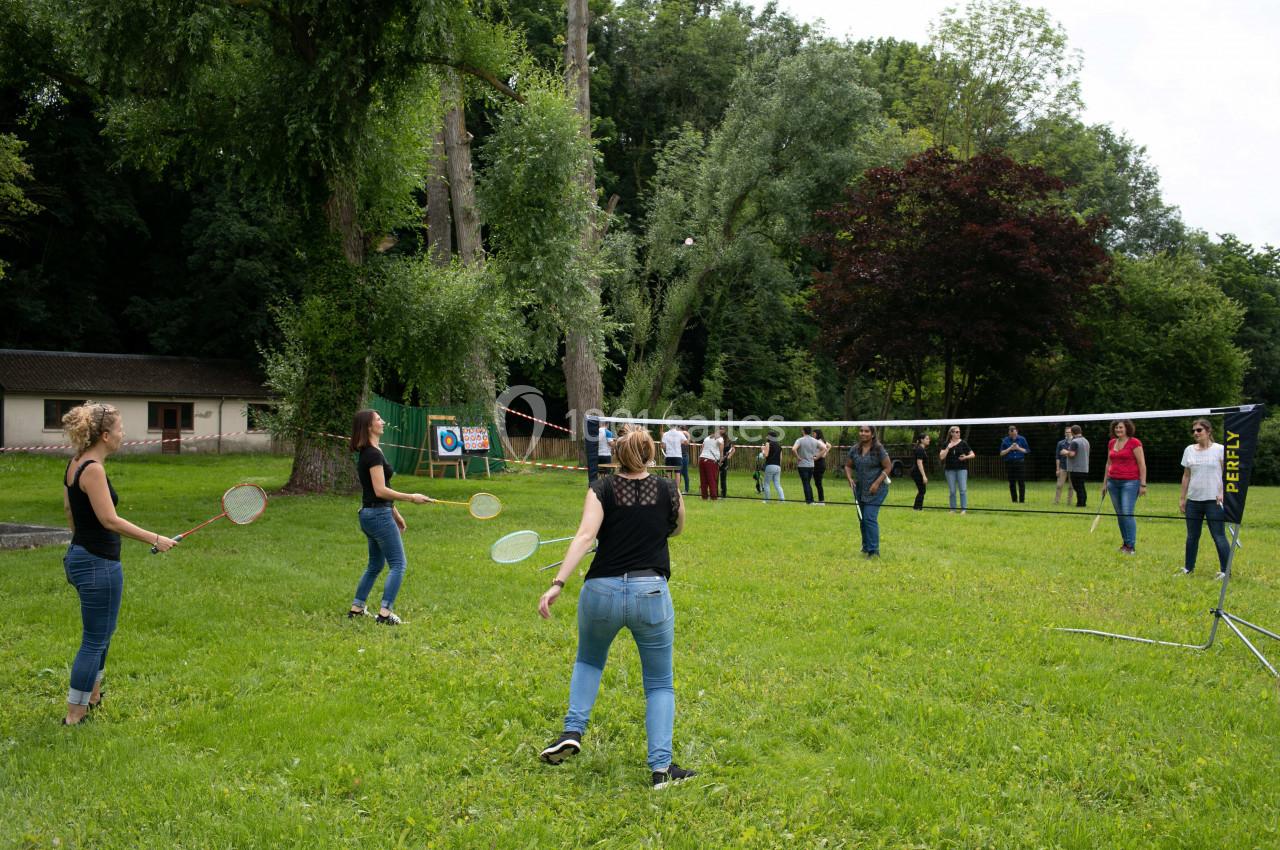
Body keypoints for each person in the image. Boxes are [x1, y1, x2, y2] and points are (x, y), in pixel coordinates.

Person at [537, 430, 695, 789]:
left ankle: (573, 731)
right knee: (659, 683)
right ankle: (661, 769)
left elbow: (585, 536)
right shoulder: (669, 489)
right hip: (650, 592)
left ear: (617, 455)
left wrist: (558, 583)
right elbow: (677, 529)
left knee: (588, 661)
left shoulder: (601, 488)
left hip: (601, 592)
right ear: (651, 454)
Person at [59, 402, 178, 725]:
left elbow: (70, 511)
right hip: (97, 564)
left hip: (80, 556)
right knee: (94, 640)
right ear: (105, 435)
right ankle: (74, 715)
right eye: (120, 429)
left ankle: (93, 697)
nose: (124, 434)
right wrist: (155, 538)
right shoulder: (93, 469)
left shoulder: (76, 462)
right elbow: (109, 520)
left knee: (101, 634)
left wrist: (82, 542)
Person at [347, 409, 431, 625]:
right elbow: (380, 490)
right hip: (377, 516)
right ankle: (385, 614)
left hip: (371, 514)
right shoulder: (373, 455)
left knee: (375, 565)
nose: (382, 422)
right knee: (398, 564)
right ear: (369, 426)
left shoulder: (372, 451)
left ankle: (357, 609)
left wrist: (395, 513)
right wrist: (412, 497)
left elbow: (379, 489)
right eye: (378, 419)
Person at [1179, 418, 1230, 579]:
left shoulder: (1220, 449)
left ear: (1208, 431)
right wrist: (1182, 498)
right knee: (1192, 536)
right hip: (1194, 501)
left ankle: (1226, 571)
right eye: (1193, 431)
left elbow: (1228, 474)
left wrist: (1223, 493)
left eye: (1199, 430)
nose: (1196, 433)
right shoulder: (1189, 450)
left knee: (1219, 536)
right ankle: (1188, 569)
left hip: (1214, 501)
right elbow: (1186, 476)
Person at [844, 425, 892, 557]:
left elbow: (888, 467)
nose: (863, 433)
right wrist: (849, 478)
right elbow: (848, 466)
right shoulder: (855, 449)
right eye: (861, 431)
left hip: (877, 490)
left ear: (872, 434)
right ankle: (866, 546)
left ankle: (874, 551)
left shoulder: (879, 449)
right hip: (860, 489)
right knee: (862, 518)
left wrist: (876, 483)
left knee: (869, 517)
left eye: (866, 431)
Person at [1101, 419, 1147, 554]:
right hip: (1113, 483)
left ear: (1127, 428)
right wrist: (1104, 483)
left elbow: (1142, 464)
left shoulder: (1135, 443)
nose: (1118, 430)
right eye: (1116, 427)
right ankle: (1125, 544)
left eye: (1121, 427)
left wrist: (1143, 484)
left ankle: (1131, 546)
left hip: (1130, 482)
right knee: (1120, 515)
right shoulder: (1111, 443)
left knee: (1127, 513)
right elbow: (1108, 464)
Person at [939, 426, 975, 514]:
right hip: (949, 470)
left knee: (963, 490)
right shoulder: (946, 443)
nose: (958, 433)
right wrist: (948, 448)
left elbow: (973, 454)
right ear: (951, 433)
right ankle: (953, 509)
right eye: (956, 432)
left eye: (959, 432)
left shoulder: (963, 443)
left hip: (961, 470)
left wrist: (965, 457)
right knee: (952, 491)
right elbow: (941, 457)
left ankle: (963, 509)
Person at [791, 426, 823, 505]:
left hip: (802, 465)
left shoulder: (800, 440)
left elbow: (793, 449)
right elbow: (824, 448)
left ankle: (809, 501)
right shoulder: (815, 440)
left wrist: (798, 457)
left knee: (805, 483)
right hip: (811, 465)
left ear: (803, 431)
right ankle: (811, 500)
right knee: (808, 483)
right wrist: (817, 457)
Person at [999, 425, 1029, 503]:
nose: (1013, 435)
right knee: (1012, 482)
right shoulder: (1005, 440)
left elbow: (1027, 451)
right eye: (1011, 434)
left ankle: (1022, 500)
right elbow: (1001, 453)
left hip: (1020, 463)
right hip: (1009, 463)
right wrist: (1010, 448)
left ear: (1017, 431)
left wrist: (1018, 448)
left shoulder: (1022, 439)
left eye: (1014, 434)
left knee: (1021, 482)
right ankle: (1014, 500)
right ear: (1009, 433)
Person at [1064, 424, 1090, 508]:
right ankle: (1082, 502)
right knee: (1081, 486)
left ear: (1072, 432)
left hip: (1076, 469)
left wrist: (1065, 452)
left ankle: (1081, 504)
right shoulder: (1086, 441)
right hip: (1084, 468)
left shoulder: (1074, 442)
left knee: (1077, 487)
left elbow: (1072, 454)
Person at [660, 423, 690, 493]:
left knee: (669, 474)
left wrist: (662, 439)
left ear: (669, 426)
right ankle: (677, 490)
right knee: (677, 473)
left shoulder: (665, 434)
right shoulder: (680, 433)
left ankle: (669, 490)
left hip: (669, 456)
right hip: (677, 456)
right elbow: (686, 443)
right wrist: (687, 437)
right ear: (676, 426)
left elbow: (663, 446)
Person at [697, 428, 723, 500]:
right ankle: (713, 497)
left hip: (702, 459)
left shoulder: (707, 438)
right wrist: (720, 460)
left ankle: (704, 496)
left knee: (703, 480)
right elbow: (721, 451)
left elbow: (702, 449)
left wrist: (700, 458)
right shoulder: (720, 439)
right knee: (712, 479)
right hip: (711, 460)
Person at [760, 431, 785, 503]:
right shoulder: (779, 446)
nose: (766, 437)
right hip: (778, 466)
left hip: (770, 465)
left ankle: (767, 500)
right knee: (777, 484)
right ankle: (782, 499)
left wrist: (763, 450)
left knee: (766, 483)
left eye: (767, 436)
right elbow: (781, 458)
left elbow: (766, 455)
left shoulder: (768, 444)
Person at [1054, 426, 1075, 506]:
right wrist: (1057, 469)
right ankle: (1056, 501)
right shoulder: (1060, 443)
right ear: (1064, 433)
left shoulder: (1075, 442)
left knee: (1071, 486)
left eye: (1069, 432)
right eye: (1066, 432)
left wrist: (1067, 453)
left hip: (1072, 468)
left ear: (1072, 433)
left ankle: (1069, 502)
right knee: (1059, 485)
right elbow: (1057, 457)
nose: (1068, 434)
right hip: (1063, 467)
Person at [910, 432, 930, 510]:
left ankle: (917, 507)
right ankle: (917, 508)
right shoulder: (920, 449)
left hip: (917, 472)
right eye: (927, 439)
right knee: (922, 490)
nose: (929, 440)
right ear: (922, 440)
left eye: (929, 439)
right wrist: (924, 476)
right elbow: (919, 463)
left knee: (922, 490)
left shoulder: (922, 449)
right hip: (917, 472)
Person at [812, 429, 832, 505]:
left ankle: (821, 501)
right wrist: (824, 454)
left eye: (814, 433)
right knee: (818, 483)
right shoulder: (822, 440)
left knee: (818, 483)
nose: (813, 435)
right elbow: (829, 446)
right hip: (821, 462)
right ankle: (821, 500)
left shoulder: (819, 441)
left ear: (817, 434)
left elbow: (826, 448)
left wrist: (818, 456)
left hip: (819, 463)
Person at [717, 427, 735, 497]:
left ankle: (723, 495)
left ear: (725, 430)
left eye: (722, 429)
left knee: (723, 479)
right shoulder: (717, 438)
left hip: (724, 461)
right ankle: (715, 493)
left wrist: (729, 456)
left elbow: (733, 449)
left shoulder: (728, 440)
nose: (721, 430)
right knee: (715, 478)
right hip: (716, 460)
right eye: (720, 429)